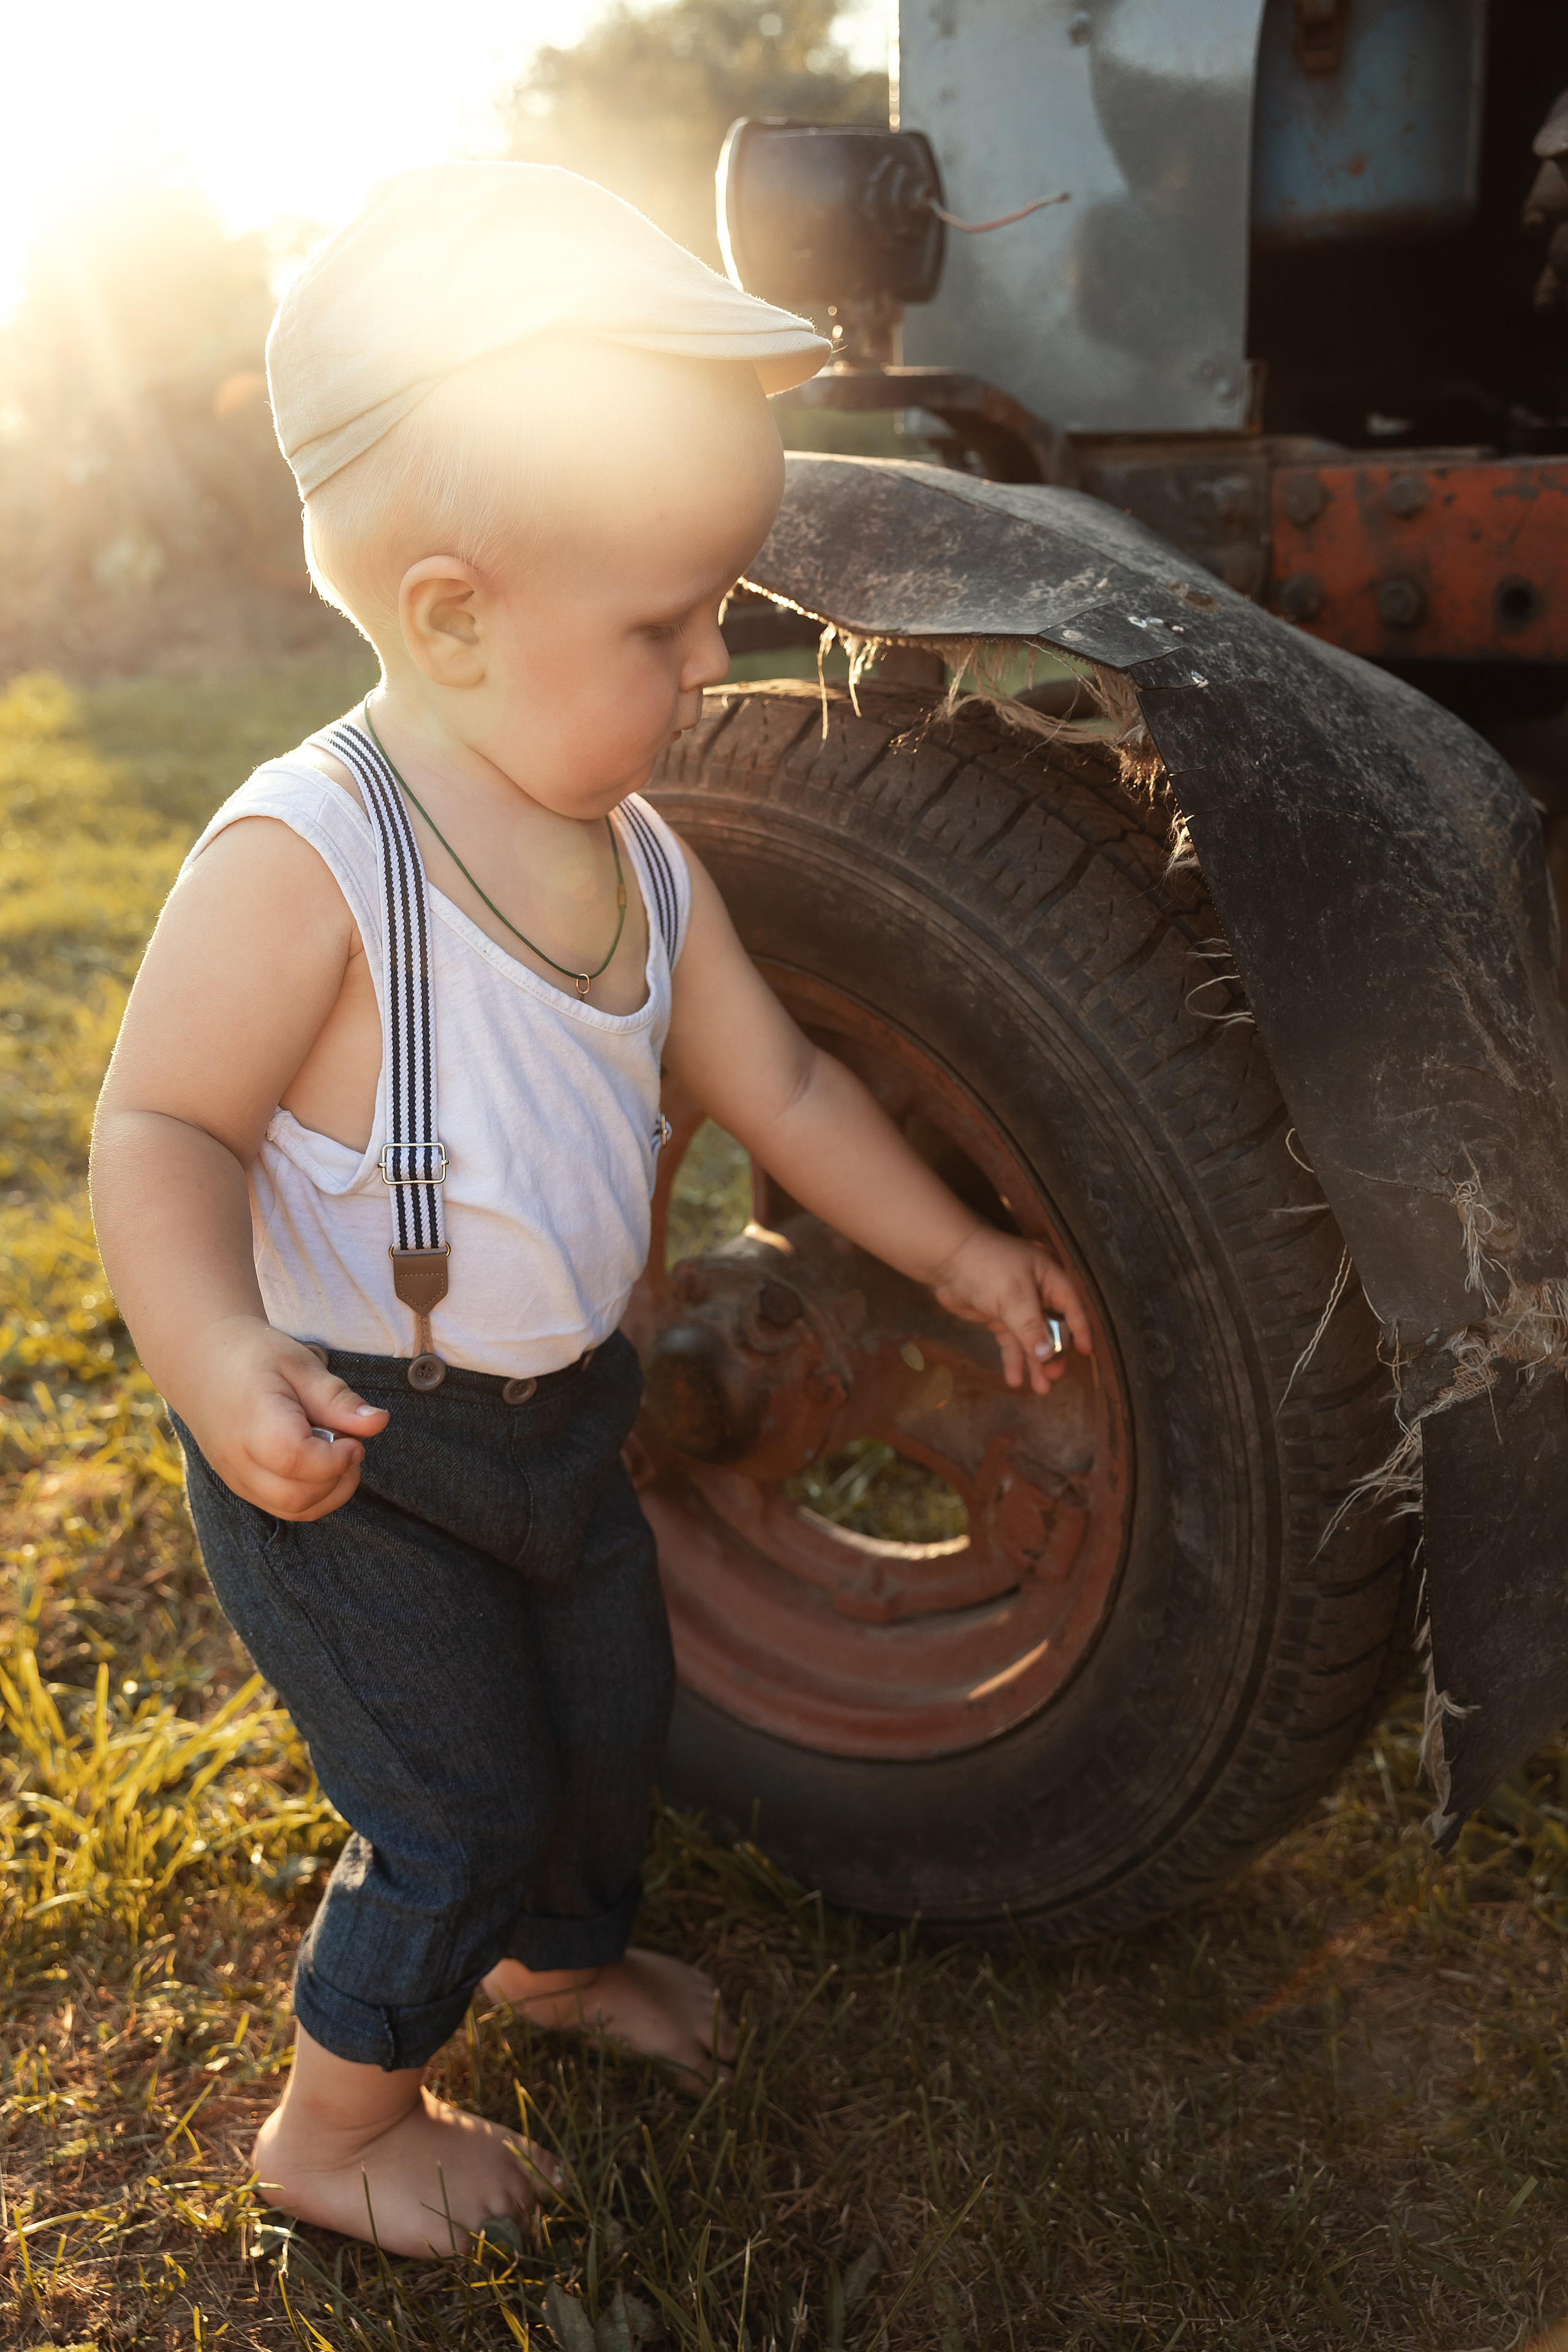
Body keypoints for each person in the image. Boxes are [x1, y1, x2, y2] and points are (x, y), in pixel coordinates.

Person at [89, 163, 1090, 2260]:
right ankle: (341, 2122)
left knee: (609, 1730)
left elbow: (786, 1087)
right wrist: (217, 1352)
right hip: (354, 1455)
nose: (713, 655)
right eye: (665, 623)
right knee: (449, 1803)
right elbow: (165, 1129)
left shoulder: (639, 861)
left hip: (561, 1428)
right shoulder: (311, 857)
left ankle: (563, 1961)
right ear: (453, 612)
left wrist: (954, 1251)